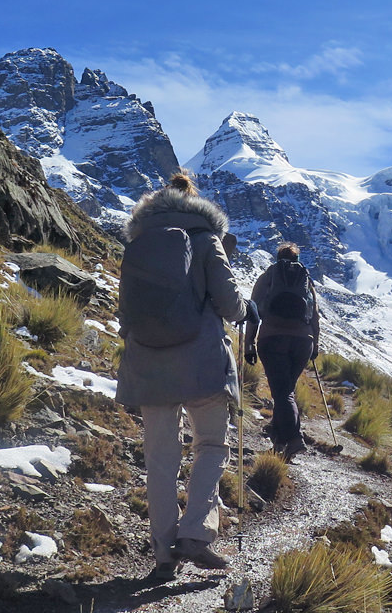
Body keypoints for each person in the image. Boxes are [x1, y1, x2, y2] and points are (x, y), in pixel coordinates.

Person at [115, 171, 245, 579]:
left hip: (148, 364)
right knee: (210, 445)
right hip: (202, 362)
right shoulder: (206, 239)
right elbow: (230, 304)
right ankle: (194, 534)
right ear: (194, 199)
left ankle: (163, 556)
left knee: (159, 460)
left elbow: (126, 310)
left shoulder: (138, 243)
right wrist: (246, 310)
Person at [245, 242, 320, 460]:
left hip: (273, 339)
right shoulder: (306, 280)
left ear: (277, 258)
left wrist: (249, 343)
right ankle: (279, 443)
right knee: (285, 389)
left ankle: (294, 439)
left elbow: (253, 310)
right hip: (302, 342)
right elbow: (314, 315)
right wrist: (314, 343)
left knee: (282, 391)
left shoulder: (270, 276)